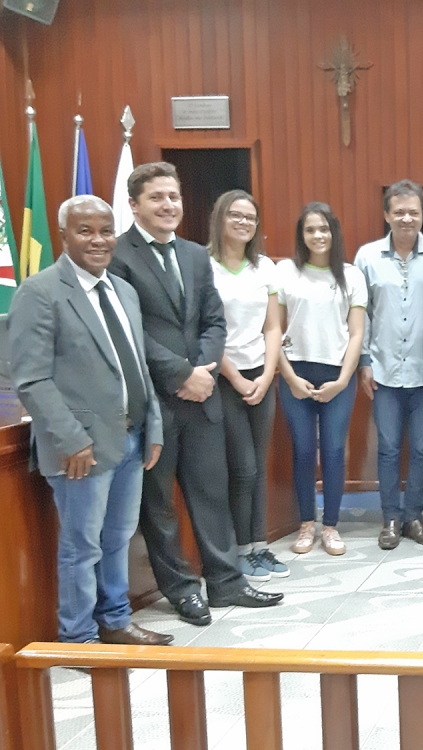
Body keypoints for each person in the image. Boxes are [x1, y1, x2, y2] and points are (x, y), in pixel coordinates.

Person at [109, 162, 282, 626]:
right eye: (157, 197)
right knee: (160, 503)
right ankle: (182, 589)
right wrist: (182, 373)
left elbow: (213, 321)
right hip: (155, 401)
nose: (168, 205)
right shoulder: (119, 255)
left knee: (212, 492)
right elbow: (130, 329)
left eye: (174, 197)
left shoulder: (191, 254)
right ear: (134, 205)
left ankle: (226, 582)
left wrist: (203, 368)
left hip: (203, 395)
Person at [9, 196, 172, 646]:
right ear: (64, 236)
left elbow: (137, 367)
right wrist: (70, 440)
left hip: (132, 439)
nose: (99, 240)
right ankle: (77, 636)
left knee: (118, 538)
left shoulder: (124, 291)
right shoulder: (40, 292)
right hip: (80, 448)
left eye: (106, 230)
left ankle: (116, 622)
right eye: (86, 231)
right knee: (82, 548)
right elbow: (32, 378)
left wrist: (152, 426)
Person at [355, 180, 423, 550]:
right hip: (382, 370)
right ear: (387, 215)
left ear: (422, 214)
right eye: (399, 212)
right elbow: (360, 314)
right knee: (388, 447)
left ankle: (414, 516)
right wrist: (364, 360)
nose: (406, 218)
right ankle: (391, 519)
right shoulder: (366, 257)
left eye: (413, 211)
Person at [278, 203, 366, 556]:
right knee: (302, 450)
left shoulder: (351, 275)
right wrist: (289, 377)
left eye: (324, 229)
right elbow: (273, 329)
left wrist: (344, 380)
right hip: (295, 372)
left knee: (332, 451)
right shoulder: (286, 272)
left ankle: (330, 525)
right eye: (311, 229)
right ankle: (305, 524)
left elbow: (357, 334)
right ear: (302, 235)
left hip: (337, 374)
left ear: (334, 233)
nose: (318, 236)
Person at [208, 190, 287, 582]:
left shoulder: (265, 268)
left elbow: (273, 327)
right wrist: (236, 378)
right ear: (221, 218)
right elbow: (206, 332)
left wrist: (268, 373)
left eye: (250, 218)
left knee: (258, 466)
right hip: (225, 379)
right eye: (235, 215)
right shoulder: (204, 267)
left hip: (261, 374)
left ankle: (261, 547)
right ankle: (241, 549)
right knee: (242, 468)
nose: (243, 223)